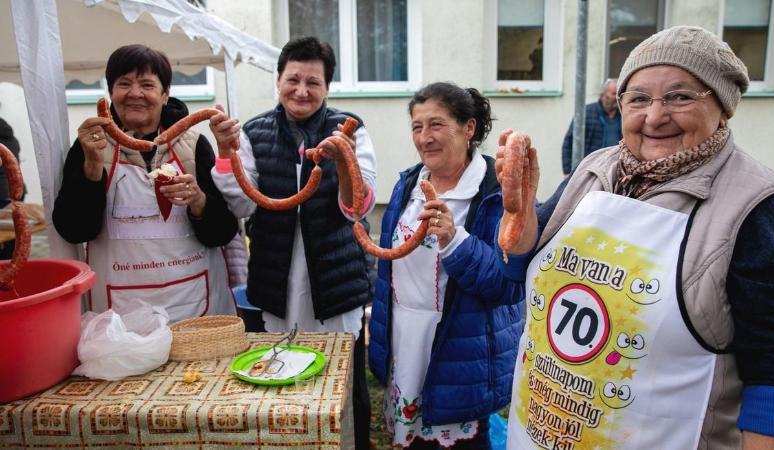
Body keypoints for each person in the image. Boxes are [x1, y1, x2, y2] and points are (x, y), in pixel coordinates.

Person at [505, 25, 774, 449]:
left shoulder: (758, 206)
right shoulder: (595, 169)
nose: (654, 116)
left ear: (723, 107)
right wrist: (519, 228)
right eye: (638, 99)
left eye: (680, 96)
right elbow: (526, 271)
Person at [208, 36, 376, 449]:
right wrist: (225, 151)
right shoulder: (254, 131)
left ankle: (348, 442)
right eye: (293, 79)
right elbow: (239, 204)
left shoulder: (350, 129)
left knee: (342, 378)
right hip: (276, 277)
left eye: (313, 82)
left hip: (336, 280)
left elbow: (360, 205)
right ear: (279, 80)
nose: (301, 91)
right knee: (278, 371)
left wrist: (345, 162)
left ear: (327, 88)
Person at [368, 82, 527, 449]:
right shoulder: (409, 183)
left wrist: (455, 240)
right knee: (407, 440)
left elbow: (507, 285)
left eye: (436, 124)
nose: (425, 138)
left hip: (460, 350)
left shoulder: (495, 191)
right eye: (417, 127)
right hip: (405, 341)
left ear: (468, 128)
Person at [53, 44, 238, 321]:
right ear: (111, 93)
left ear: (165, 96)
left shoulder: (194, 144)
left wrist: (198, 200)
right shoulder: (89, 146)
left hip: (195, 301)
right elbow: (74, 230)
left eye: (147, 85)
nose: (135, 93)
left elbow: (222, 233)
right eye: (123, 83)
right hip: (120, 310)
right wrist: (92, 166)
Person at [561, 78, 622, 174]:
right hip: (590, 170)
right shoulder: (586, 113)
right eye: (614, 93)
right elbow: (569, 142)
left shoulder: (623, 115)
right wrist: (568, 171)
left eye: (619, 94)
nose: (617, 97)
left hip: (615, 171)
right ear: (603, 95)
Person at [0, 118, 26, 260]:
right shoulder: (7, 132)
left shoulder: (4, 139)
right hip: (13, 191)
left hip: (4, 194)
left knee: (9, 241)